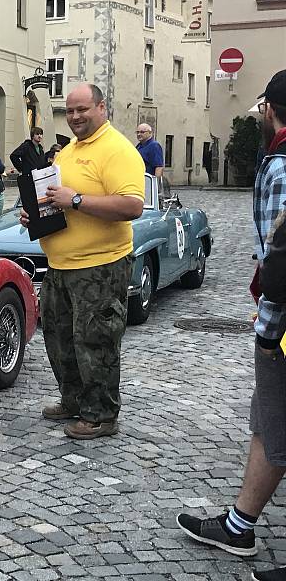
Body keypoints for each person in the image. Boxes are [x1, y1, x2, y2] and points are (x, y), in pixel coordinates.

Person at [176, 70, 286, 581]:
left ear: (270, 111)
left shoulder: (281, 165)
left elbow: (282, 254)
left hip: (284, 327)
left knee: (275, 422)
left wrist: (270, 321)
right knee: (270, 424)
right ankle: (241, 524)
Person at [19, 83, 145, 440]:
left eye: (82, 110)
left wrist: (75, 200)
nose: (75, 117)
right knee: (60, 340)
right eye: (70, 111)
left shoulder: (116, 149)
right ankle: (74, 400)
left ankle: (101, 415)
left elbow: (131, 206)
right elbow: (56, 199)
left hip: (100, 265)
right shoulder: (70, 150)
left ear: (102, 108)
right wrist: (37, 216)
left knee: (96, 341)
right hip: (61, 263)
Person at [10, 127, 47, 207]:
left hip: (39, 179)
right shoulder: (26, 146)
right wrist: (22, 168)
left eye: (41, 134)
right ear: (32, 136)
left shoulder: (40, 149)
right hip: (29, 178)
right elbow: (14, 156)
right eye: (37, 134)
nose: (40, 136)